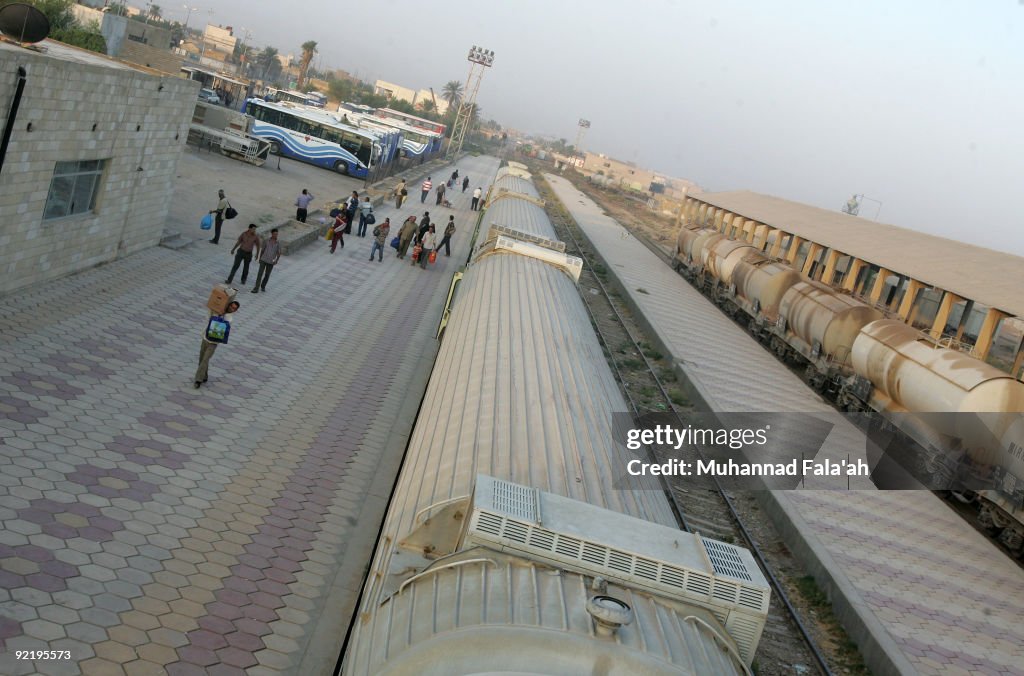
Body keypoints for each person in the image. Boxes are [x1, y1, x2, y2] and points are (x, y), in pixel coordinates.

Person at [195, 300, 239, 388]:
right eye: (231, 306)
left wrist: (221, 314)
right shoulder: (218, 311)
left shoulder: (229, 318)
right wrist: (216, 310)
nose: (232, 309)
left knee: (205, 359)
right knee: (201, 359)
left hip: (214, 342)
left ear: (235, 311)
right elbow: (209, 316)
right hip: (205, 337)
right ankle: (205, 376)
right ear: (228, 305)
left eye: (234, 308)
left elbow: (223, 323)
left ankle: (198, 380)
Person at [252, 228, 280, 293]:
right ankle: (256, 288)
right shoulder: (266, 241)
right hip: (263, 260)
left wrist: (276, 260)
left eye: (277, 234)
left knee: (267, 275)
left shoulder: (278, 243)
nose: (276, 235)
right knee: (260, 274)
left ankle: (263, 286)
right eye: (275, 234)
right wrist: (259, 258)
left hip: (270, 262)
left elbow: (279, 253)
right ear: (272, 234)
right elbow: (262, 250)